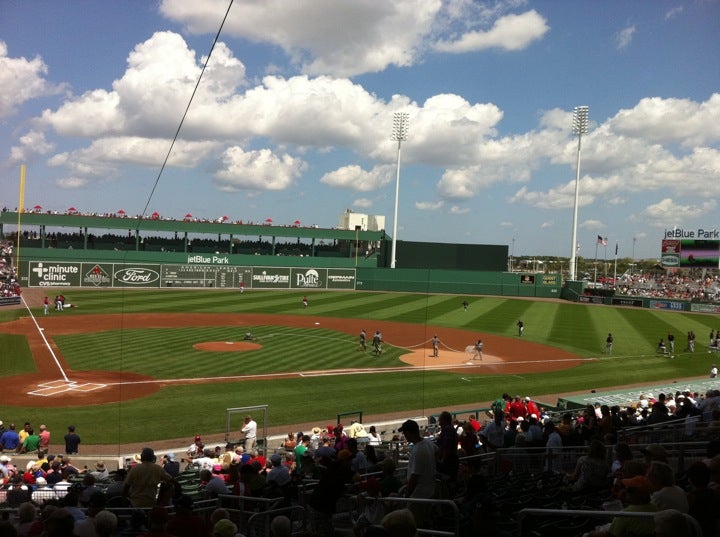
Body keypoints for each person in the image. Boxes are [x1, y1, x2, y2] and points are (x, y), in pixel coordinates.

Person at [398, 419, 437, 528]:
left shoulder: (418, 450)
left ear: (410, 433)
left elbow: (415, 477)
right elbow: (438, 452)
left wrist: (407, 496)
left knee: (415, 525)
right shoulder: (428, 443)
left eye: (405, 433)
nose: (404, 435)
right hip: (429, 491)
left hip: (418, 495)